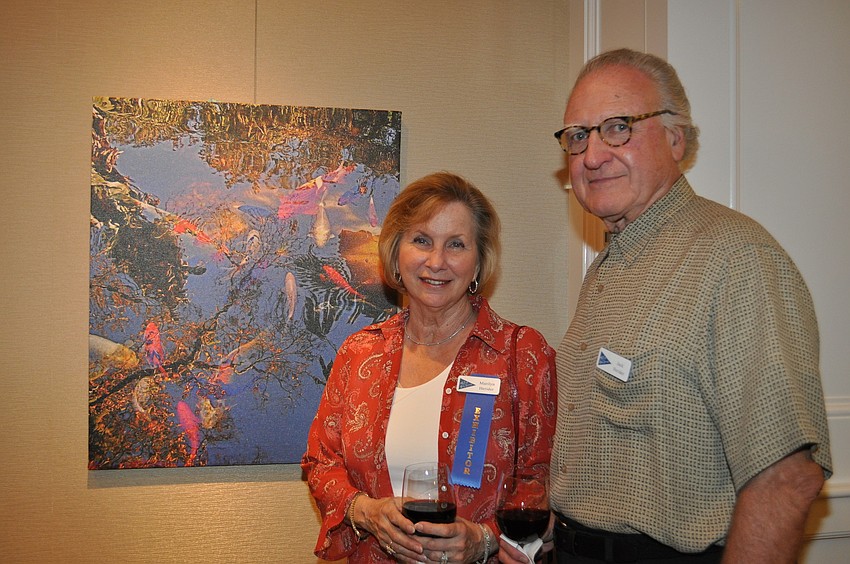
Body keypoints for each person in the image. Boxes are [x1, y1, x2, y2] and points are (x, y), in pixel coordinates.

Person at [501, 48, 833, 564]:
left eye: (618, 128)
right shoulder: (608, 267)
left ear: (676, 139)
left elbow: (787, 476)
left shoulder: (737, 259)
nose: (592, 155)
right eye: (578, 136)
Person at [302, 171, 557, 563]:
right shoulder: (360, 352)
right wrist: (366, 512)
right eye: (422, 240)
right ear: (396, 253)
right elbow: (321, 463)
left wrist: (484, 540)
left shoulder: (521, 353)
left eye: (456, 244)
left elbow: (540, 480)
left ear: (479, 261)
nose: (436, 262)